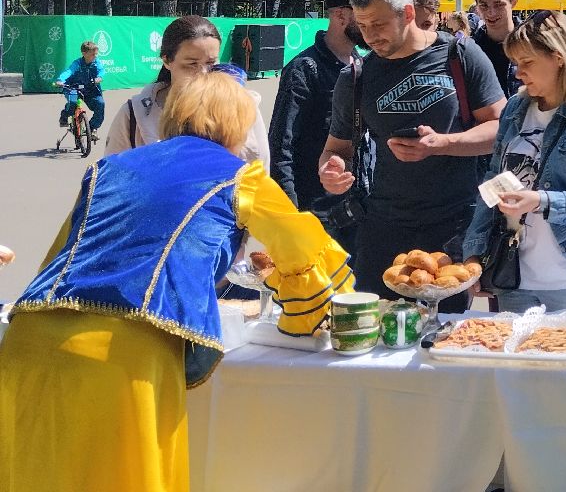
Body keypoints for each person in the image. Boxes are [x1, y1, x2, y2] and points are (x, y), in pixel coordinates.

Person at [0, 73, 351, 492]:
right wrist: (314, 315)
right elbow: (304, 249)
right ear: (237, 124)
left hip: (29, 341)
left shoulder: (107, 169)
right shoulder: (241, 176)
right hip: (126, 352)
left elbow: (62, 256)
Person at [318, 0, 506, 311]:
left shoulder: (461, 56)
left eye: (378, 24)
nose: (370, 36)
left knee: (440, 340)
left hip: (453, 222)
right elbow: (336, 149)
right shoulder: (356, 77)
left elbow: (500, 129)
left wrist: (444, 143)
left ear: (407, 14)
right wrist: (331, 171)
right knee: (373, 332)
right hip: (382, 225)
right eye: (362, 26)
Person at [460, 11, 566, 313]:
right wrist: (474, 251)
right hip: (516, 278)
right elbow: (492, 183)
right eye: (516, 63)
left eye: (527, 63)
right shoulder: (515, 107)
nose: (517, 73)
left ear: (558, 57)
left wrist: (540, 200)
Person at [269, 0, 364, 247]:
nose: (371, 22)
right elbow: (281, 142)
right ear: (340, 15)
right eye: (363, 13)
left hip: (355, 206)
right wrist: (290, 212)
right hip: (314, 210)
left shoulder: (362, 63)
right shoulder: (304, 68)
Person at [106, 15, 269, 167]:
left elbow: (260, 171)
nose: (204, 72)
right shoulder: (133, 114)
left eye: (211, 63)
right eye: (192, 64)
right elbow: (112, 178)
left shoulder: (243, 105)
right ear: (167, 61)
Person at [54, 40, 105, 135]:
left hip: (90, 89)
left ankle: (92, 129)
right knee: (72, 103)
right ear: (84, 53)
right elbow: (69, 71)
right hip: (73, 88)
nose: (95, 56)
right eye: (93, 54)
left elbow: (101, 71)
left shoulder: (96, 62)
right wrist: (60, 80)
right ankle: (64, 115)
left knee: (100, 104)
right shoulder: (77, 63)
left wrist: (99, 78)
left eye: (96, 54)